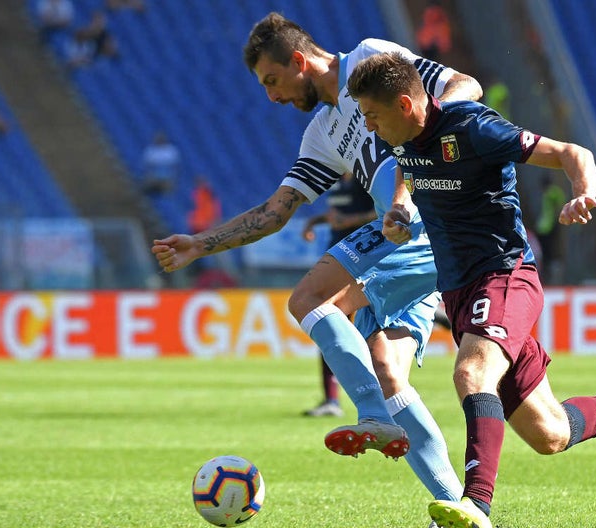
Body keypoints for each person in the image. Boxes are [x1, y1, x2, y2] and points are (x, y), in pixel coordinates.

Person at [152, 12, 483, 515]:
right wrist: (201, 243)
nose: (272, 96)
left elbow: (466, 85)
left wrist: (428, 133)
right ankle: (460, 511)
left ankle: (371, 415)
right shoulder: (323, 132)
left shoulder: (369, 59)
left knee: (309, 298)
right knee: (388, 370)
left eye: (272, 80)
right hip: (405, 233)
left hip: (427, 218)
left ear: (299, 61)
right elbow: (275, 212)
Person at [347, 52, 596, 528]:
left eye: (372, 115)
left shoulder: (473, 128)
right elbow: (410, 164)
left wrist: (583, 193)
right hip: (460, 291)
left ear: (405, 105)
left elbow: (573, 153)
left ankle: (476, 505)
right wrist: (400, 207)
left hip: (505, 276)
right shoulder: (403, 137)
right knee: (550, 433)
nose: (368, 126)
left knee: (471, 373)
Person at [301, 172, 376, 418]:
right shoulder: (336, 180)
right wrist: (316, 221)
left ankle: (337, 400)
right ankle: (331, 400)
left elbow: (384, 212)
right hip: (337, 256)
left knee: (338, 323)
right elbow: (338, 215)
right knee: (328, 322)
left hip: (362, 257)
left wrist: (351, 220)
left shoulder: (367, 178)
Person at [535, 174, 567, 283]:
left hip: (546, 227)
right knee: (549, 251)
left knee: (547, 251)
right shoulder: (554, 192)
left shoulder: (551, 192)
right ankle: (548, 274)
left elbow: (558, 207)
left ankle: (547, 274)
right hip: (547, 226)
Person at [141, 131, 181, 197]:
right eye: (158, 139)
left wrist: (174, 178)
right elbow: (147, 167)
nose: (160, 140)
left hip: (167, 177)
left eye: (161, 139)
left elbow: (175, 167)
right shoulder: (150, 151)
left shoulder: (170, 151)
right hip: (154, 177)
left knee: (169, 189)